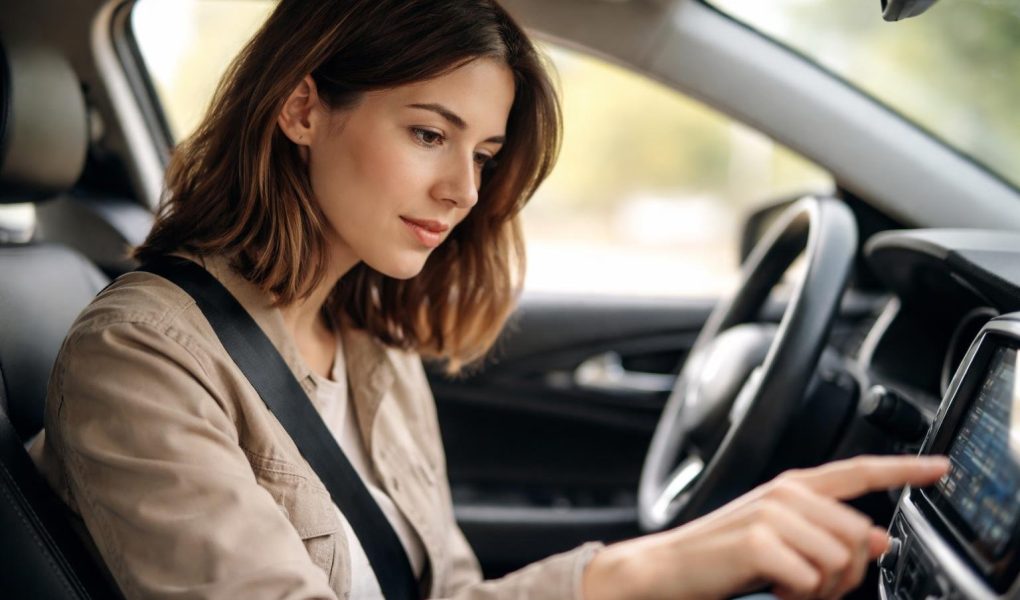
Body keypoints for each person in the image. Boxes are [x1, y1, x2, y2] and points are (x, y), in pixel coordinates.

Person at [29, 0, 950, 599]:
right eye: (430, 133)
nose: (463, 193)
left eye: (482, 155)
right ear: (302, 110)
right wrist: (657, 563)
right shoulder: (141, 360)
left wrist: (681, 562)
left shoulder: (370, 345)